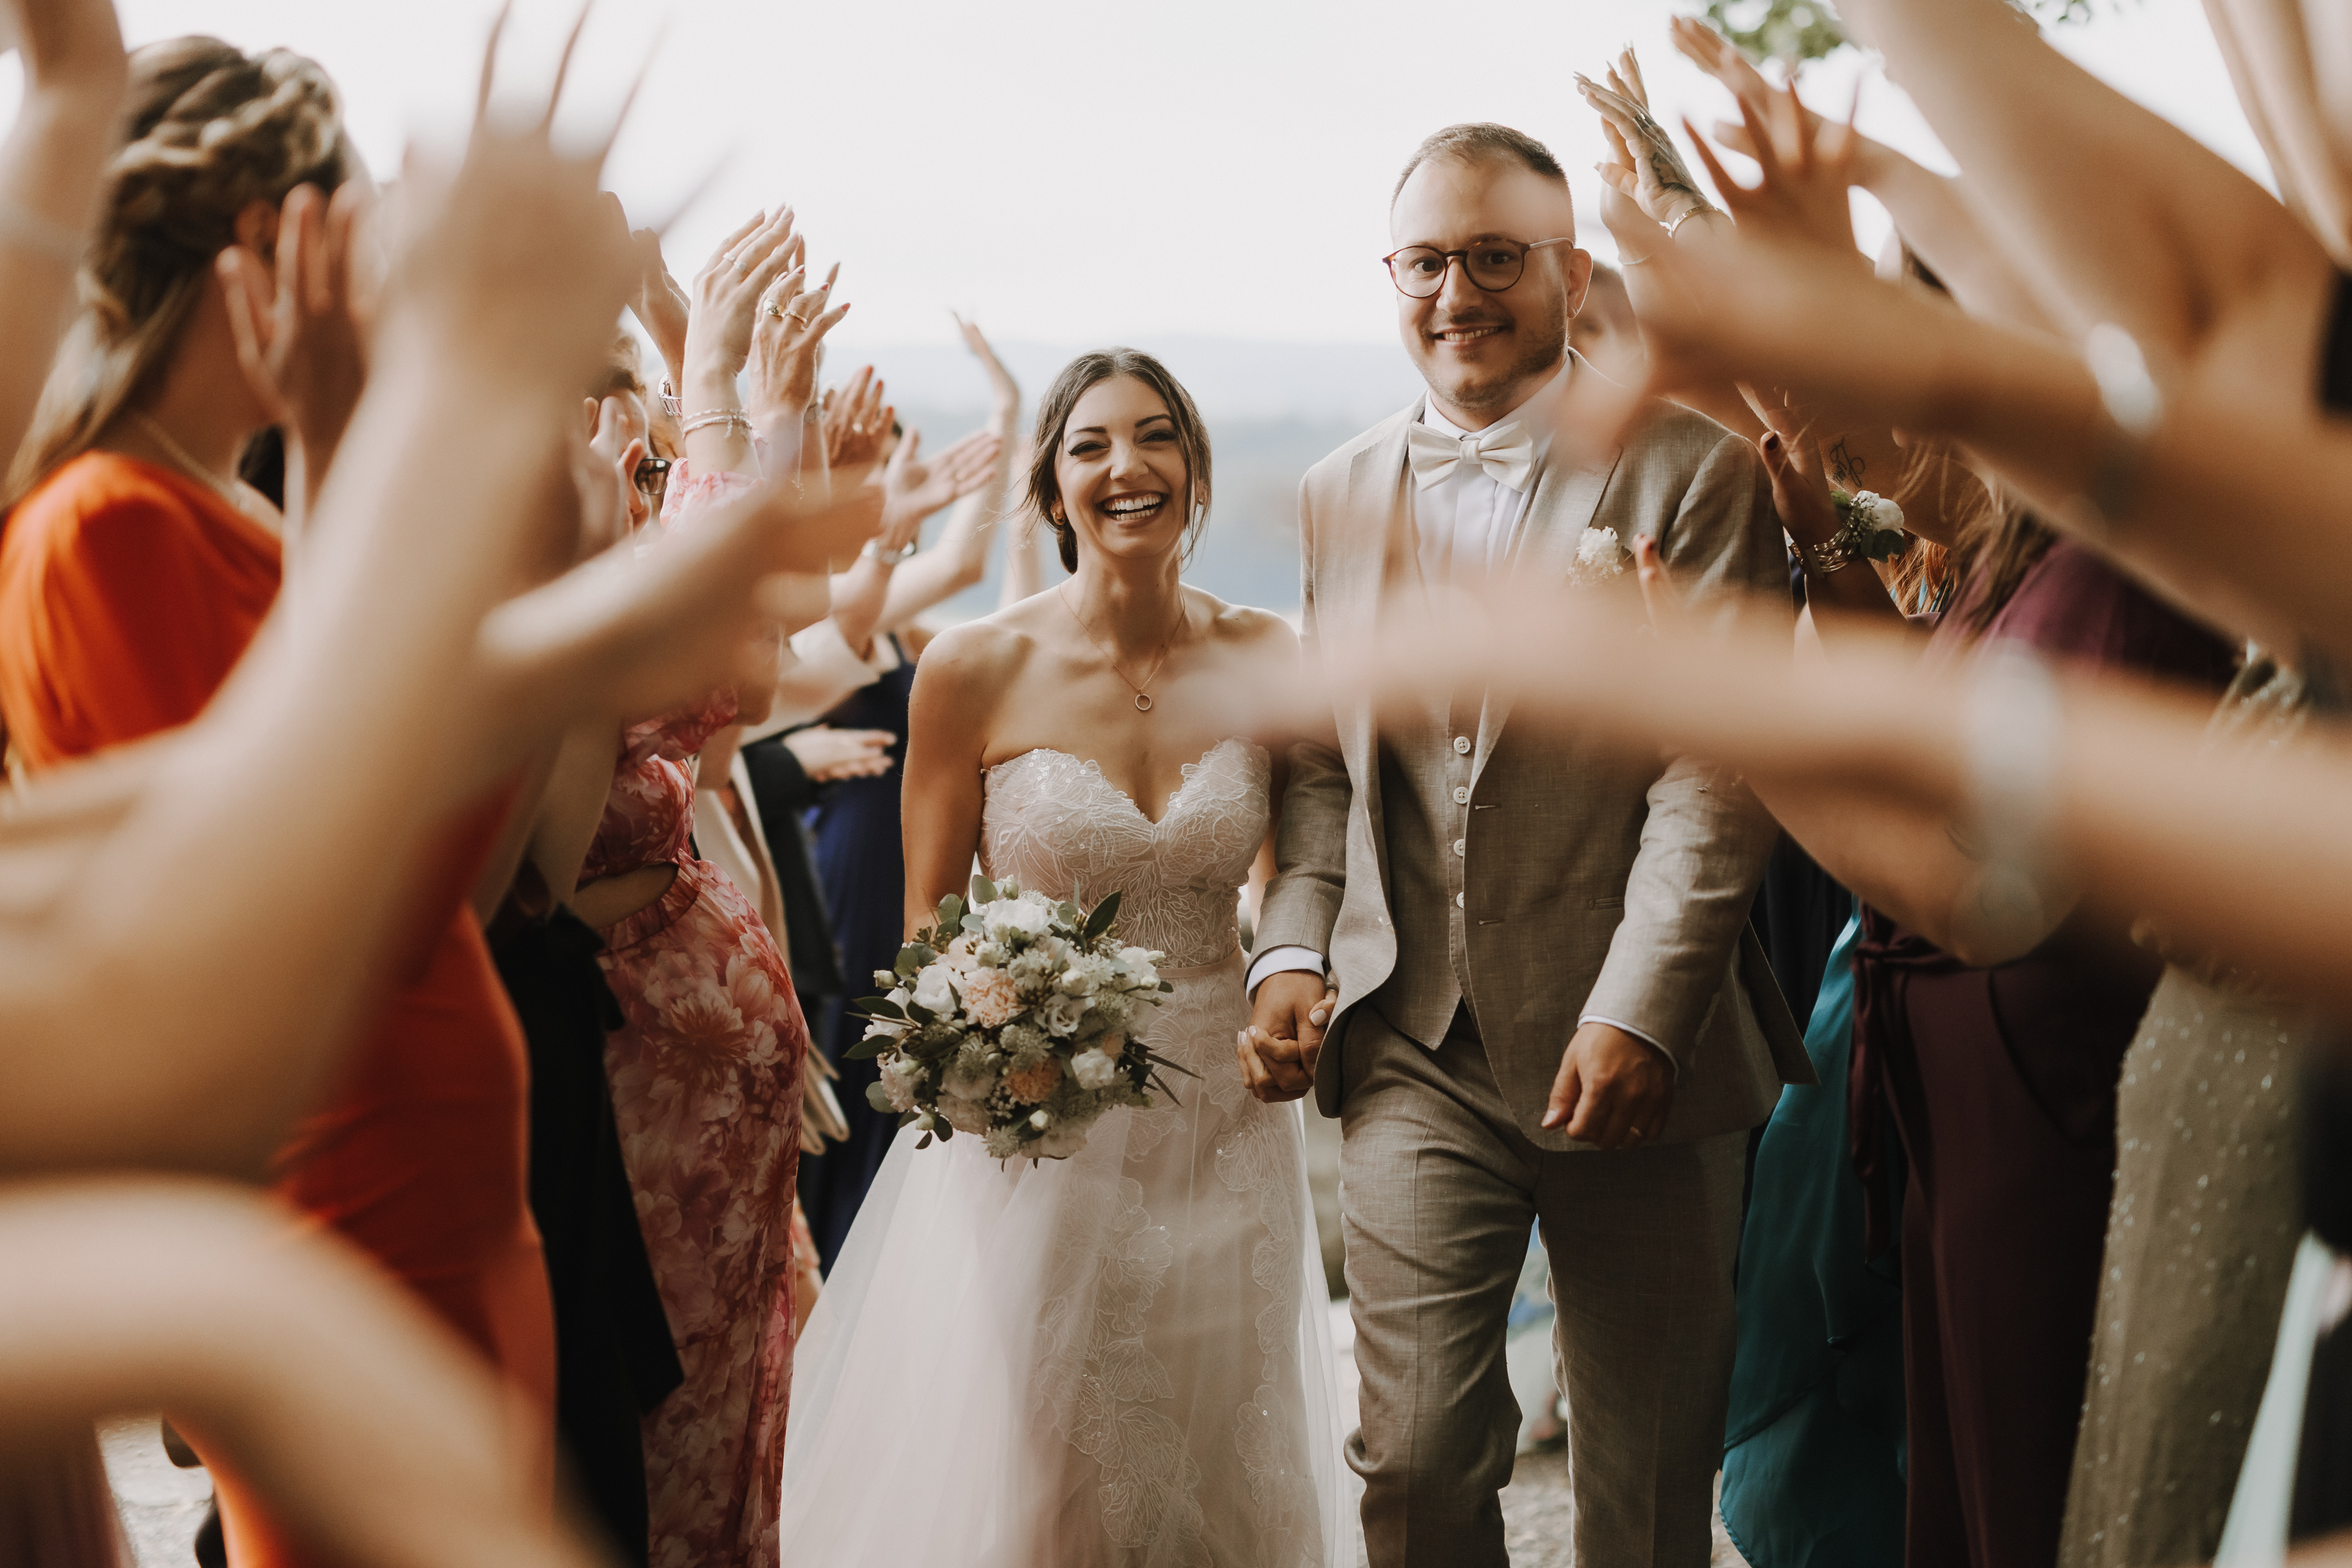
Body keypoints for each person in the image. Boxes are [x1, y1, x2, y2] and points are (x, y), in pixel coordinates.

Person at [1240, 122, 1808, 1568]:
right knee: (1414, 1460)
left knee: (1647, 1481)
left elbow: (1713, 772)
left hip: (1638, 1048)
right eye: (1428, 261)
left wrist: (1642, 1009)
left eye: (1498, 257)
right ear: (1392, 275)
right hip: (1413, 1042)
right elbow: (1326, 770)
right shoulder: (1336, 490)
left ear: (1573, 274)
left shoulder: (1698, 474)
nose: (1459, 294)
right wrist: (1290, 949)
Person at [779, 347, 1346, 1564]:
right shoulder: (971, 668)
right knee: (1049, 1458)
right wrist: (987, 1056)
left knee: (1224, 1432)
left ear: (1197, 472)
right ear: (1050, 491)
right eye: (1090, 445)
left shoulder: (1269, 656)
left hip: (1227, 1115)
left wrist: (1290, 982)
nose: (1125, 466)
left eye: (1155, 437)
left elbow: (1298, 868)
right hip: (1041, 1128)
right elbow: (929, 924)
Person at [796, 325, 1016, 1270]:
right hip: (853, 860)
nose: (892, 482)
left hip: (903, 847)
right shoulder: (830, 603)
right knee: (861, 1058)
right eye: (871, 468)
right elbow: (956, 564)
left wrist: (1009, 417)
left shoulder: (904, 624)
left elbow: (980, 588)